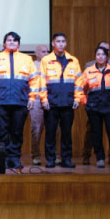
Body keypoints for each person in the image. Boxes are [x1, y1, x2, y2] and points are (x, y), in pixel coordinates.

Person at [0, 31, 42, 170]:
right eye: (9, 40)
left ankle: (14, 159)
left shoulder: (26, 59)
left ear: (19, 44)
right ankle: (2, 159)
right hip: (0, 101)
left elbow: (34, 80)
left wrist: (32, 98)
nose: (11, 42)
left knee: (17, 132)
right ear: (4, 43)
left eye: (15, 40)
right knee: (2, 132)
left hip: (20, 102)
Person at [78, 45, 110, 168]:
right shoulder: (88, 71)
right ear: (95, 57)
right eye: (98, 54)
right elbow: (80, 89)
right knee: (96, 133)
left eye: (103, 55)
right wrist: (85, 102)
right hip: (94, 107)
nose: (100, 57)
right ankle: (100, 157)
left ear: (107, 57)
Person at [39, 33, 82, 169]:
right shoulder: (46, 60)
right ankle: (50, 159)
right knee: (50, 132)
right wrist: (44, 99)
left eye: (63, 41)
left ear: (66, 43)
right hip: (51, 103)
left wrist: (77, 98)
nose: (61, 44)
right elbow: (41, 81)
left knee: (67, 133)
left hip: (68, 102)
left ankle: (66, 159)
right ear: (53, 43)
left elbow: (79, 82)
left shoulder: (73, 60)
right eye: (58, 41)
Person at [29, 44, 49, 165]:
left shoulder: (52, 64)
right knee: (36, 129)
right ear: (36, 53)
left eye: (47, 52)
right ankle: (35, 155)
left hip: (50, 98)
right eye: (43, 52)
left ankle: (53, 155)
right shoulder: (32, 65)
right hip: (36, 99)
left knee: (54, 129)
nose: (46, 54)